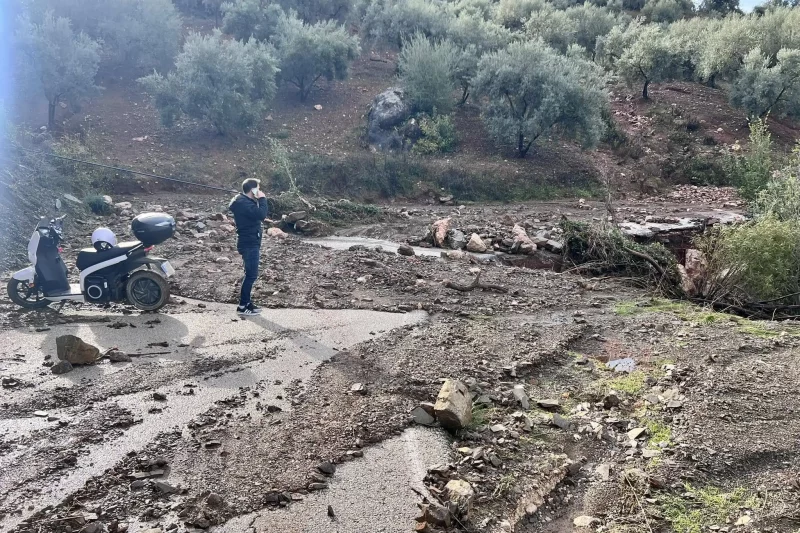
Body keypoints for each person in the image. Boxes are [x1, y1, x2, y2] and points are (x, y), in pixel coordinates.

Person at [229, 178, 269, 315]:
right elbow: (261, 214)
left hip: (250, 241)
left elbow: (256, 215)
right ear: (253, 190)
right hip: (249, 243)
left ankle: (247, 303)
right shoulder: (243, 203)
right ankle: (242, 306)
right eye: (258, 188)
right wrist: (262, 199)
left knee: (250, 274)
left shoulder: (244, 202)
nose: (260, 191)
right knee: (251, 275)